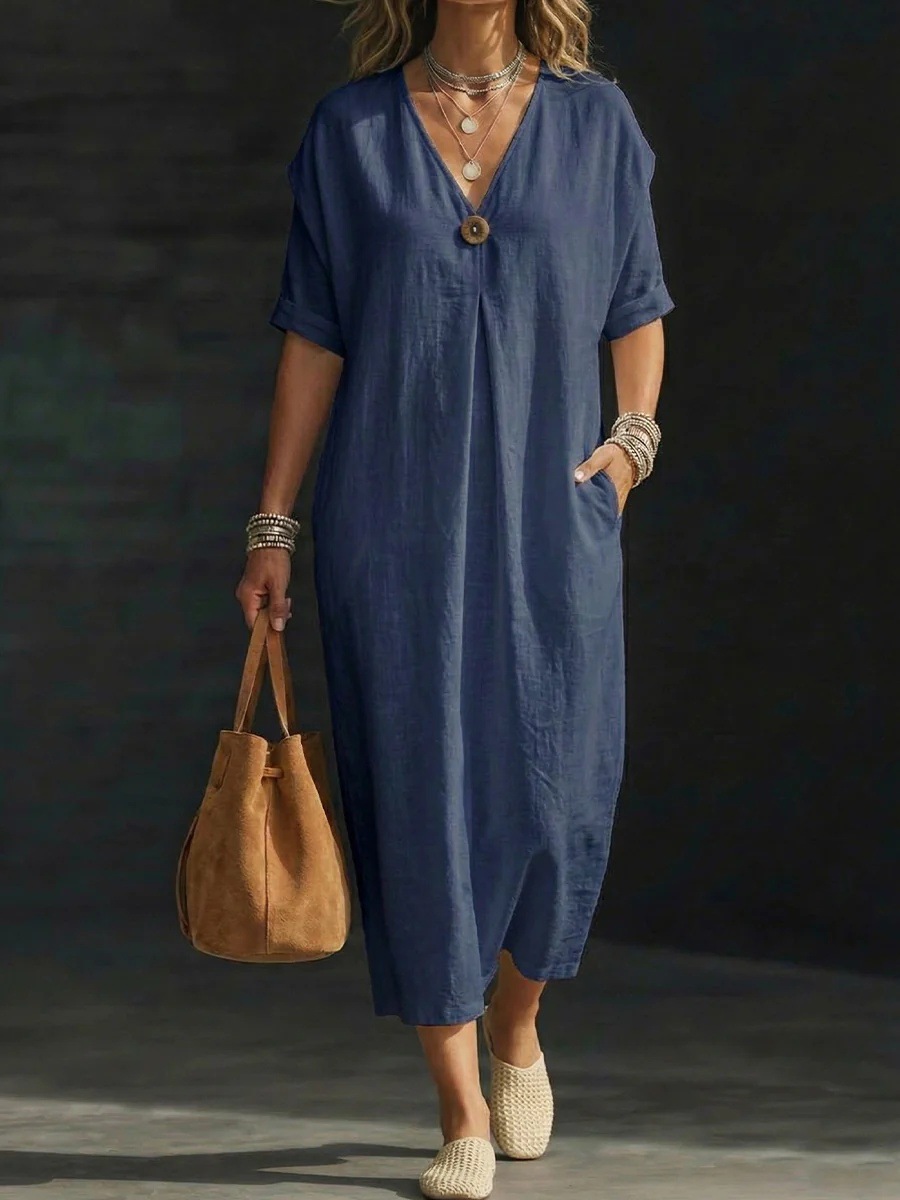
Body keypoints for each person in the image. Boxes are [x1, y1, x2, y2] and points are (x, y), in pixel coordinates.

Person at [235, 1, 674, 1195]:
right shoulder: (351, 131)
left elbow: (637, 300)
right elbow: (313, 333)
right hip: (393, 522)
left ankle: (517, 1023)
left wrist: (630, 446)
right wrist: (274, 522)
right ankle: (459, 1106)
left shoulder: (597, 124)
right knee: (418, 792)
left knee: (557, 795)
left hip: (553, 521)